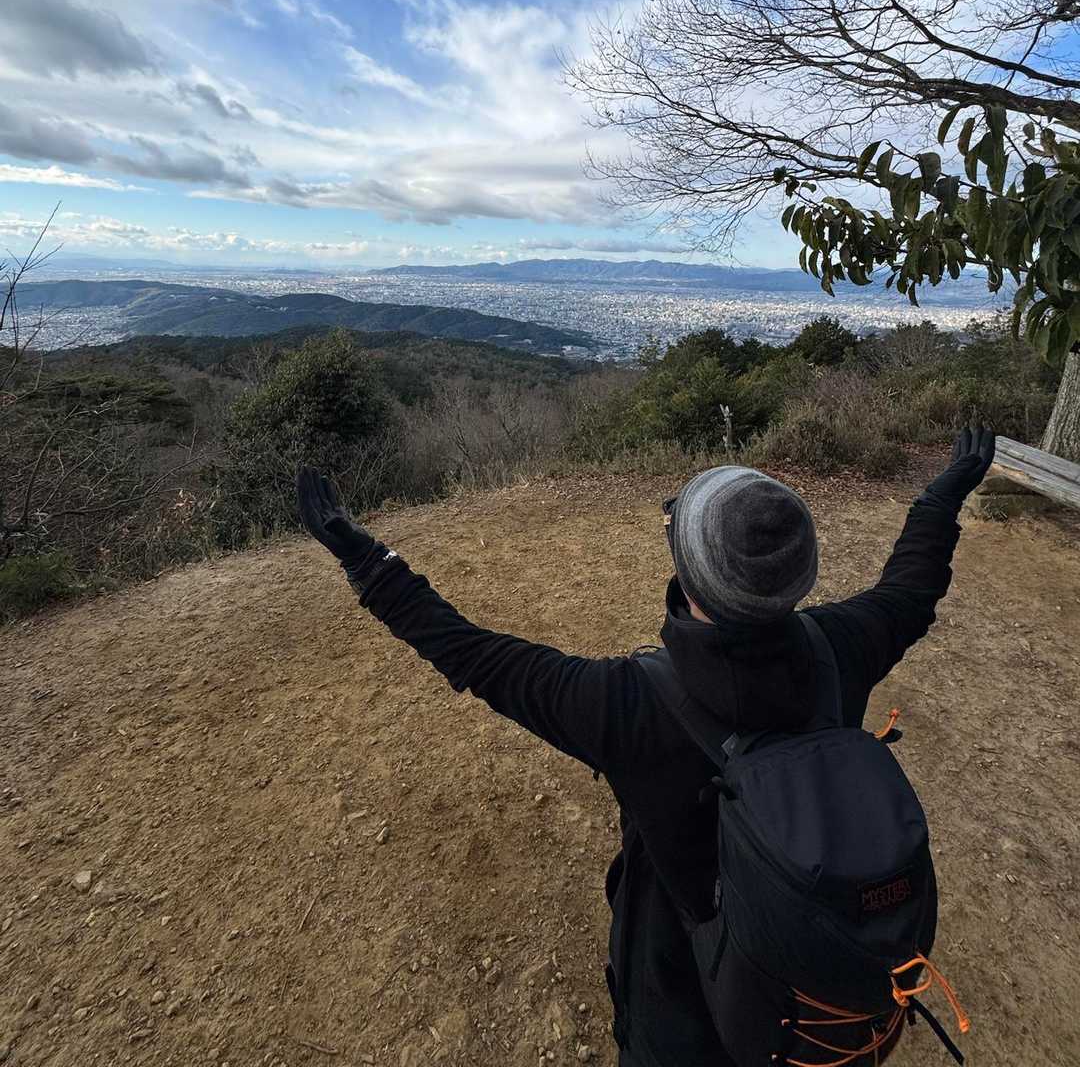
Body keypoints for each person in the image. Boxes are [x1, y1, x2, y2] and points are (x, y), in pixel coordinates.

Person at [296, 426, 996, 1067]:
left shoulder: (627, 705)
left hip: (678, 998)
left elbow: (476, 656)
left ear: (687, 577)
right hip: (812, 978)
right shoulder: (842, 646)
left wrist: (368, 561)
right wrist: (941, 496)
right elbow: (912, 586)